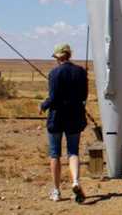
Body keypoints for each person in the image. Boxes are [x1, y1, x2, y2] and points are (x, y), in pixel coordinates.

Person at [40, 43, 88, 203]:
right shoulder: (81, 72)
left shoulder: (54, 73)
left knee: (55, 154)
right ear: (69, 55)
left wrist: (44, 105)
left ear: (58, 57)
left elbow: (53, 98)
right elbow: (83, 96)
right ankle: (75, 181)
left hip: (57, 117)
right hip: (75, 116)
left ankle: (56, 191)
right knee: (73, 152)